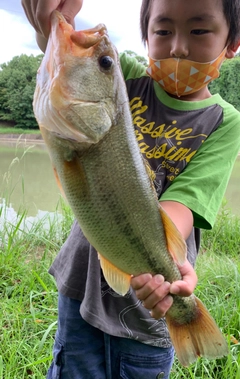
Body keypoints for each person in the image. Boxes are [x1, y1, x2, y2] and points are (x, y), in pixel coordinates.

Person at [21, 0, 240, 378]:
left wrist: (167, 268)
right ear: (145, 37)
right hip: (80, 288)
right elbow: (73, 62)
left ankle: (190, 325)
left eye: (199, 30)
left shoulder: (224, 121)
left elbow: (183, 203)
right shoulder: (127, 81)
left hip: (148, 309)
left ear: (232, 43)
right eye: (163, 30)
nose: (178, 47)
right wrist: (49, 23)